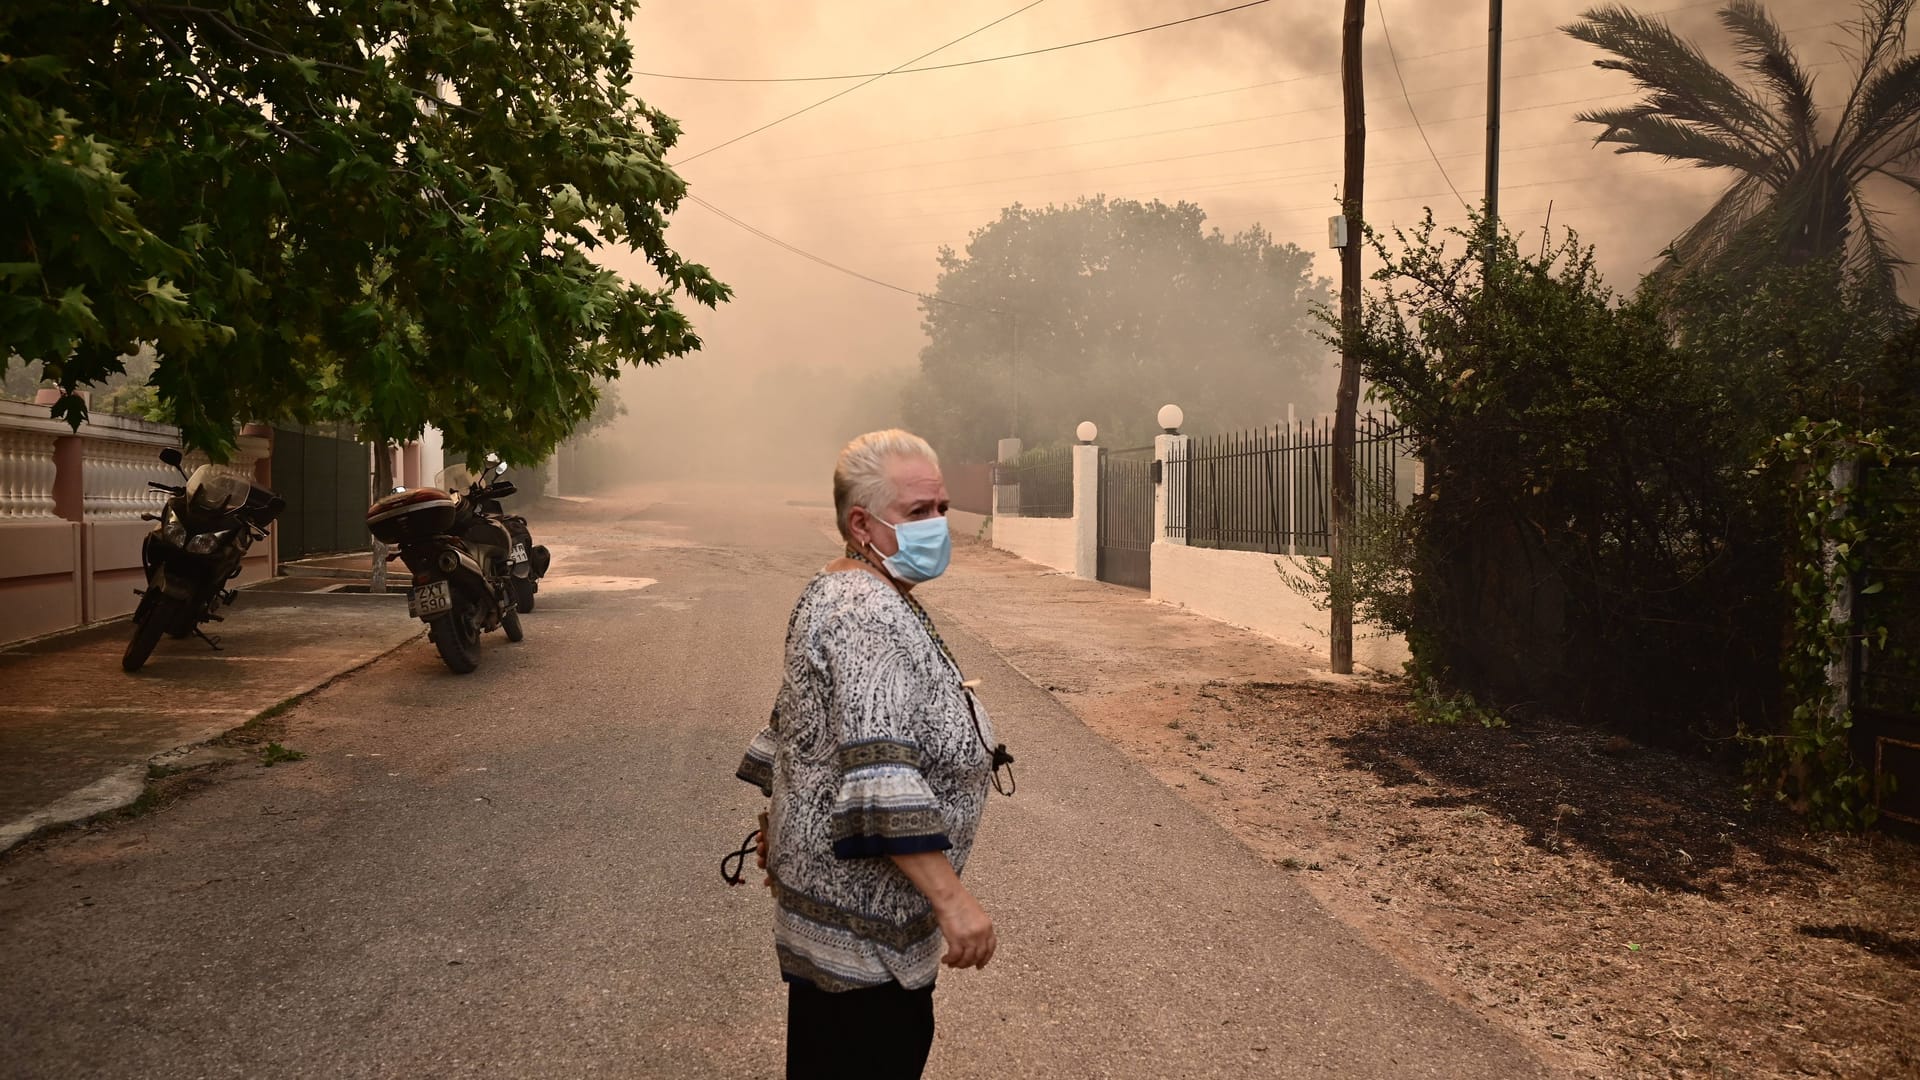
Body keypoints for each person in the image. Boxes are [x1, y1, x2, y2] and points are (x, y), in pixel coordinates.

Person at [735, 429, 1010, 1080]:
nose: (939, 525)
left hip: (841, 923)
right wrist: (953, 902)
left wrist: (778, 821)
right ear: (862, 522)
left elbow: (802, 724)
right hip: (866, 938)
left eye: (942, 508)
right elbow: (879, 773)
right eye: (919, 513)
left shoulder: (848, 589)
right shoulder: (863, 608)